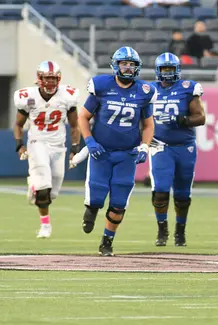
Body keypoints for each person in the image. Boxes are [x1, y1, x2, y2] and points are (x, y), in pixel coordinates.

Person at [78, 46, 156, 256]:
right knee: (96, 196)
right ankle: (92, 209)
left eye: (132, 64)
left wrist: (144, 146)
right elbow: (83, 116)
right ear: (116, 65)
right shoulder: (102, 86)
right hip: (101, 151)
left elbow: (148, 125)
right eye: (124, 63)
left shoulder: (144, 91)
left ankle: (107, 241)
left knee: (119, 202)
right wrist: (90, 141)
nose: (128, 68)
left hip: (127, 153)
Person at [13, 61, 80, 239]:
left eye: (53, 78)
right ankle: (45, 226)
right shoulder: (28, 96)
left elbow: (74, 126)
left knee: (52, 193)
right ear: (39, 79)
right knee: (44, 189)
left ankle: (33, 185)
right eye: (47, 78)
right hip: (37, 143)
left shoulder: (68, 96)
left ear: (59, 79)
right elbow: (18, 124)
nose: (50, 82)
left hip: (58, 145)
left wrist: (75, 148)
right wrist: (20, 144)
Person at [150, 52, 206, 247]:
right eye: (164, 69)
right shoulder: (149, 90)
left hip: (185, 145)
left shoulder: (187, 88)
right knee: (161, 189)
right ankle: (162, 228)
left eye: (170, 69)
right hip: (160, 145)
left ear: (177, 70)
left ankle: (180, 230)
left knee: (182, 192)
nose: (167, 73)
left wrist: (182, 119)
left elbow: (201, 117)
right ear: (158, 70)